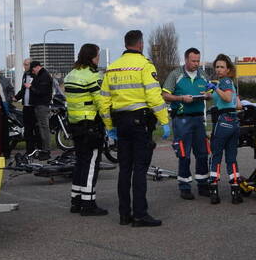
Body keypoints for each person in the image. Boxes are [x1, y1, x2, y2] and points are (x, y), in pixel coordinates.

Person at [100, 30, 171, 227]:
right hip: (140, 122)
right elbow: (154, 96)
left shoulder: (112, 68)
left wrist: (109, 126)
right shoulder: (144, 66)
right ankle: (140, 214)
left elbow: (104, 101)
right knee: (140, 169)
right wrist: (164, 120)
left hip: (121, 123)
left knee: (125, 169)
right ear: (140, 44)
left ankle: (125, 215)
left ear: (125, 44)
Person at [63, 44, 109, 216]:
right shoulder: (93, 76)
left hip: (75, 124)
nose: (98, 59)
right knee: (91, 164)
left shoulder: (71, 75)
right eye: (97, 56)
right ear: (91, 57)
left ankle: (76, 200)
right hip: (90, 124)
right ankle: (88, 204)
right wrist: (110, 124)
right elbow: (101, 103)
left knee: (80, 162)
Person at [161, 47, 211, 200]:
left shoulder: (203, 75)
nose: (196, 63)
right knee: (184, 154)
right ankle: (184, 186)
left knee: (203, 153)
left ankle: (203, 184)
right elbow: (164, 94)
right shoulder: (176, 74)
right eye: (193, 61)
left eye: (198, 60)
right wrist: (181, 98)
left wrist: (209, 95)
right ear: (186, 60)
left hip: (198, 120)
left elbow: (212, 91)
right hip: (182, 119)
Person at [207, 55, 242, 204]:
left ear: (228, 69)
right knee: (231, 158)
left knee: (216, 156)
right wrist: (210, 95)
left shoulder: (224, 81)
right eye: (217, 67)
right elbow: (238, 105)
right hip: (234, 123)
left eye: (222, 67)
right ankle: (235, 191)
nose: (219, 69)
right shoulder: (230, 83)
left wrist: (215, 88)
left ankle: (214, 190)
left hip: (223, 123)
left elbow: (227, 99)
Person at [16, 59, 53, 160]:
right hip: (29, 106)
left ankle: (43, 150)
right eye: (24, 64)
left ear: (36, 67)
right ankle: (31, 151)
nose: (25, 66)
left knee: (41, 129)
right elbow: (23, 89)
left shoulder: (42, 75)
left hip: (38, 105)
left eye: (27, 65)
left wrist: (31, 87)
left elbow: (41, 91)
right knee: (29, 129)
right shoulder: (26, 75)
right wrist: (16, 97)